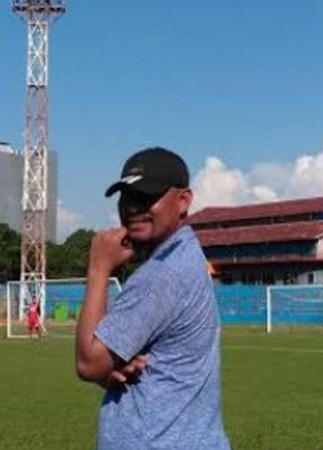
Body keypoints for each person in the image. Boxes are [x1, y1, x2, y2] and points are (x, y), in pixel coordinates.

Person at [75, 147, 230, 449]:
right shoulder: (185, 256)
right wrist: (113, 366)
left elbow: (88, 363)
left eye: (147, 197)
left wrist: (98, 269)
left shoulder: (161, 275)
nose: (132, 208)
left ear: (183, 200)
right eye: (127, 197)